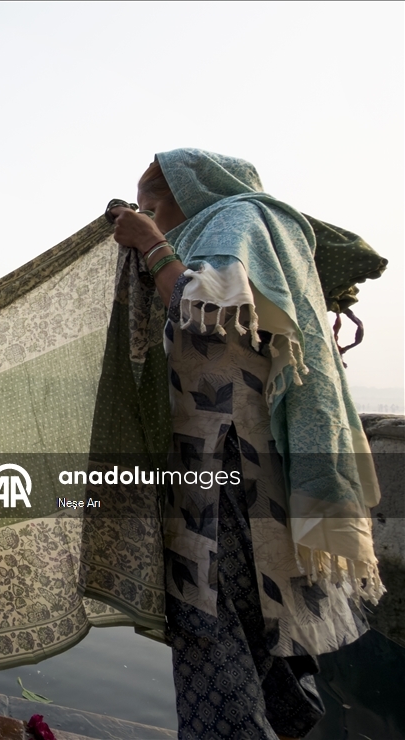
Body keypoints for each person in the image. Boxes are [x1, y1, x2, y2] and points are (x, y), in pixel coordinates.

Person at [109, 149, 382, 739]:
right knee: (258, 611)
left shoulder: (237, 219)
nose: (144, 216)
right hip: (233, 454)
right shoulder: (229, 232)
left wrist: (151, 244)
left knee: (211, 614)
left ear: (186, 191)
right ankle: (279, 718)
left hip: (226, 455)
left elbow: (207, 308)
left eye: (150, 205)